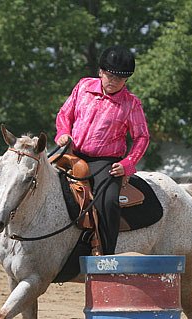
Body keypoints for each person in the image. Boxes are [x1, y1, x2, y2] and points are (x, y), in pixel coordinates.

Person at [55, 45, 150, 255]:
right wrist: (63, 132)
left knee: (108, 202)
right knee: (35, 179)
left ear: (126, 80)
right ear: (100, 72)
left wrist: (127, 164)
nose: (113, 81)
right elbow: (65, 114)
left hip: (104, 162)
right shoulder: (83, 87)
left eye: (119, 78)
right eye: (109, 75)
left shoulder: (131, 104)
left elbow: (142, 137)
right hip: (71, 153)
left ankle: (106, 255)